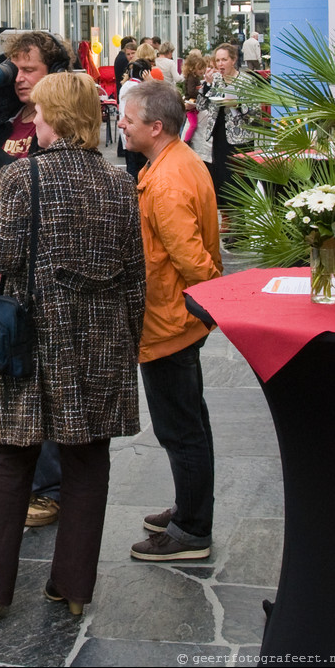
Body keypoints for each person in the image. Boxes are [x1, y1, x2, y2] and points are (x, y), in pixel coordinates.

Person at [0, 72, 145, 620]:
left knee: (8, 457)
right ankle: (74, 588)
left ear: (51, 118)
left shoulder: (20, 178)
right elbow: (134, 275)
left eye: (39, 112)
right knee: (87, 460)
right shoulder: (120, 182)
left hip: (30, 339)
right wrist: (131, 341)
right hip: (102, 343)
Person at [0, 30, 75, 528]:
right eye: (14, 69)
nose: (19, 78)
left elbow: (45, 183)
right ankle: (10, 478)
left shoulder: (60, 124)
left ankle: (47, 487)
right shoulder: (6, 117)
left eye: (29, 69)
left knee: (30, 377)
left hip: (26, 271)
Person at [119, 79, 222, 561]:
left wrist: (208, 303)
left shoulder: (164, 180)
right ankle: (190, 507)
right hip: (177, 318)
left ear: (155, 127)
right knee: (189, 424)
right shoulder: (177, 160)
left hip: (169, 322)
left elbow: (191, 258)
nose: (120, 124)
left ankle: (191, 531)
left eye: (129, 119)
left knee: (181, 429)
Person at [192, 43, 256, 208]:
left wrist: (236, 104)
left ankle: (241, 218)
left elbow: (255, 114)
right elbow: (200, 106)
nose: (220, 64)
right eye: (218, 60)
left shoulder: (246, 81)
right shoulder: (215, 79)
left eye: (224, 60)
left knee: (239, 178)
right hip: (219, 136)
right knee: (220, 177)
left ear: (233, 60)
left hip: (240, 138)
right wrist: (206, 85)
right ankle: (227, 217)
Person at [180, 51, 206, 143]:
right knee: (193, 124)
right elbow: (191, 91)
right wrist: (200, 92)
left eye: (203, 68)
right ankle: (186, 141)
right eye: (200, 69)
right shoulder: (192, 78)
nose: (202, 71)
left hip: (193, 103)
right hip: (191, 104)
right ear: (193, 68)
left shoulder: (194, 78)